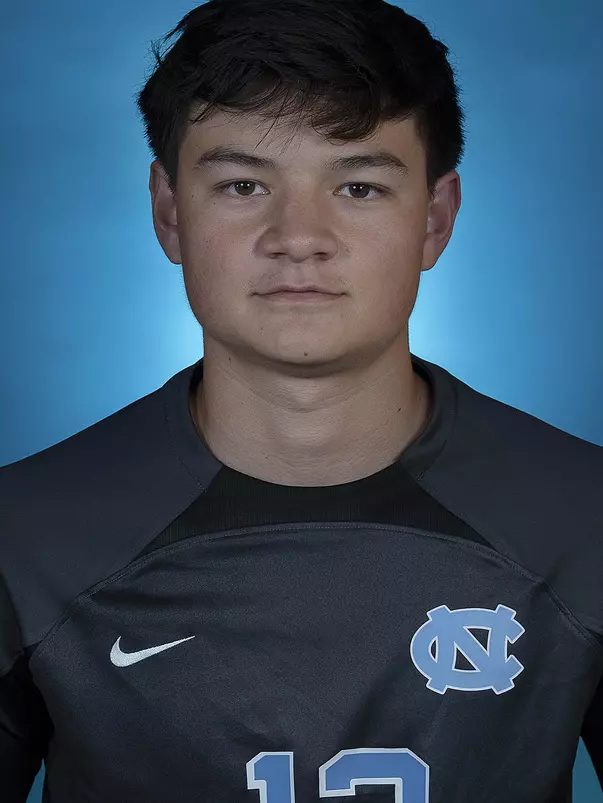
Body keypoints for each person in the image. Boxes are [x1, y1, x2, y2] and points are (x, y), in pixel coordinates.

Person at [1, 0, 602, 800]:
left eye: (357, 186)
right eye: (244, 183)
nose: (298, 235)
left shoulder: (583, 518)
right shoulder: (24, 534)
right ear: (170, 211)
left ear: (434, 218)